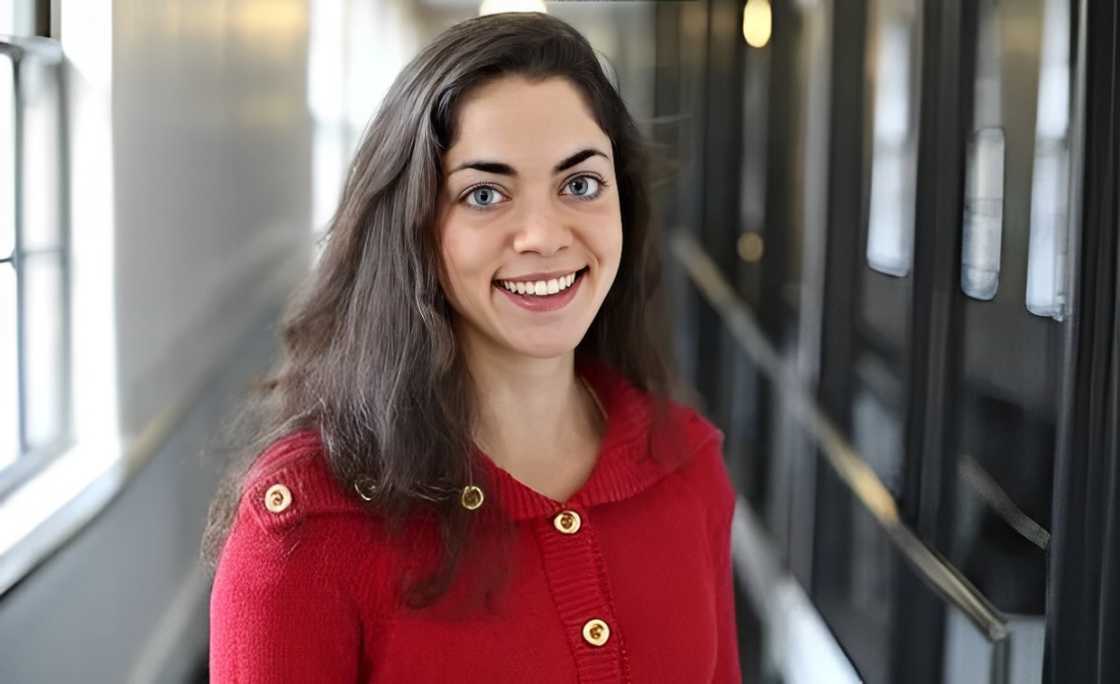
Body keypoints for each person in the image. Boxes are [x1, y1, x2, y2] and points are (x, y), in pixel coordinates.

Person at [203, 11, 741, 683]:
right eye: (485, 193)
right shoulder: (308, 529)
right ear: (416, 227)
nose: (544, 234)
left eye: (580, 184)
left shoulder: (687, 467)